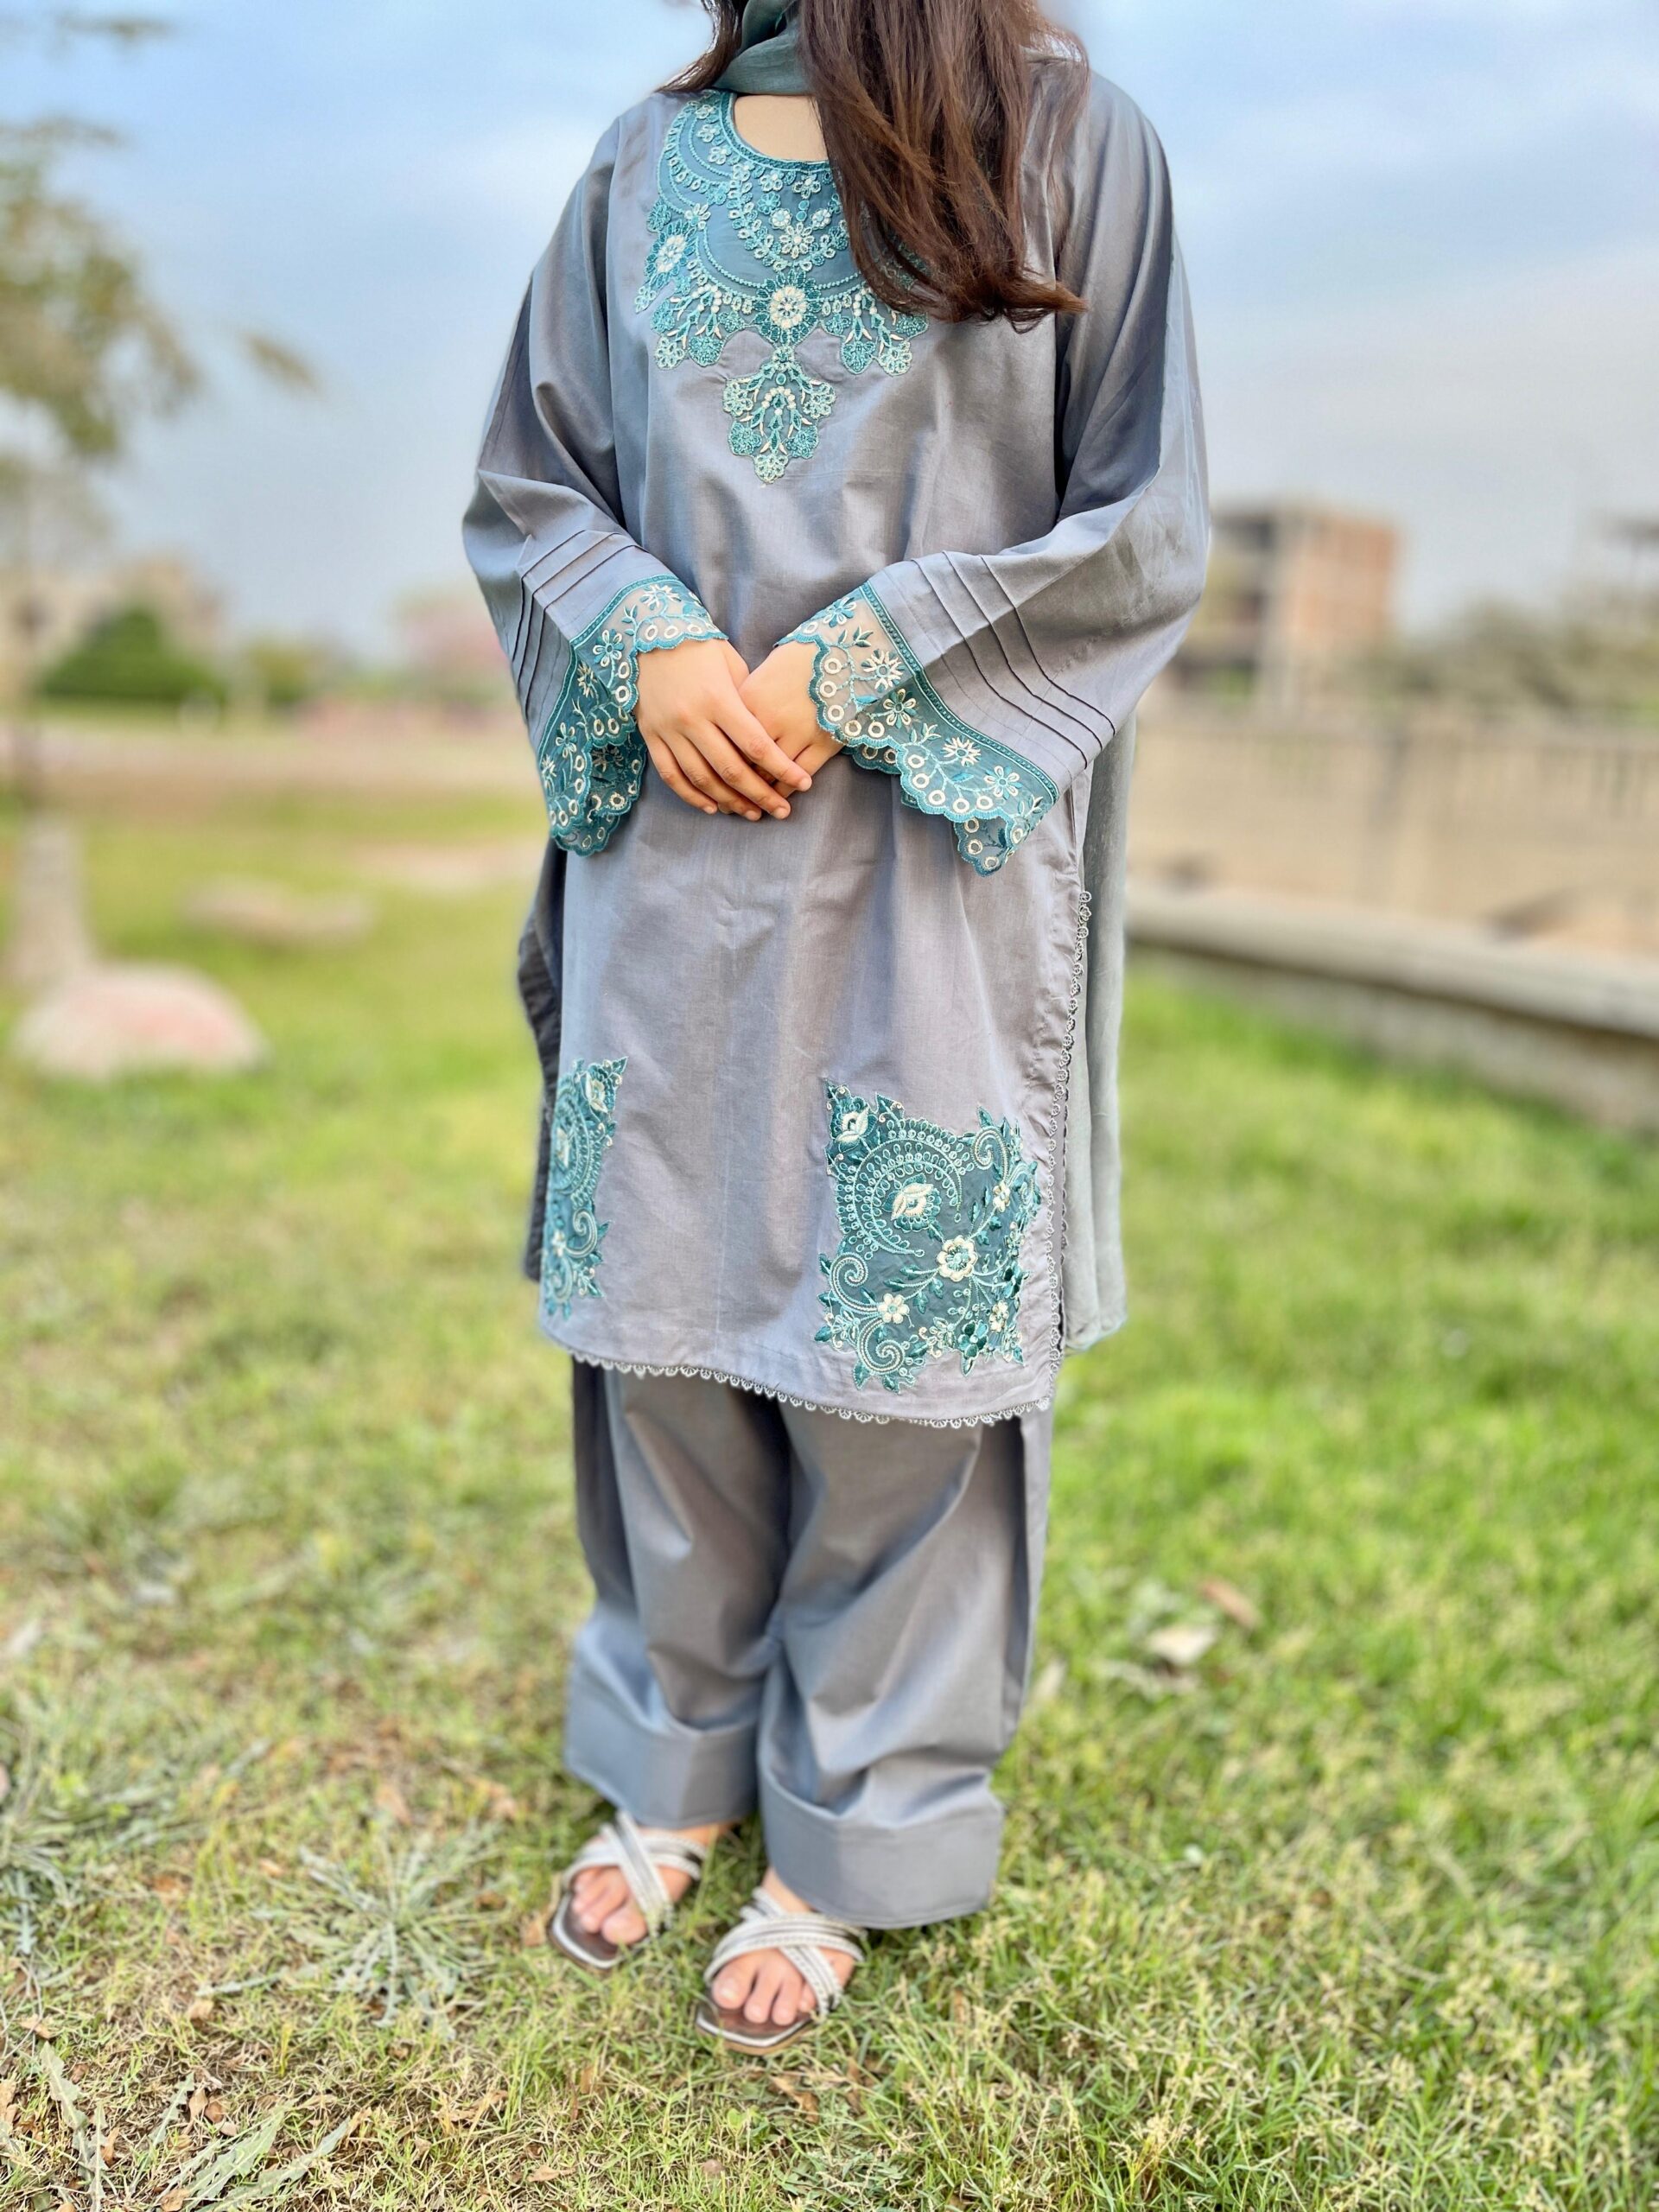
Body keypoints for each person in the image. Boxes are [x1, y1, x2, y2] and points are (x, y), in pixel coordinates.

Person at [463, 0, 1208, 2051]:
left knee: (906, 1354)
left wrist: (868, 652)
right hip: (674, 840)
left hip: (930, 858)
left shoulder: (1076, 143)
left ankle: (862, 1817)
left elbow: (1142, 520)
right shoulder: (642, 158)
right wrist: (649, 639)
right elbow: (533, 484)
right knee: (664, 1318)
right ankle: (674, 1748)